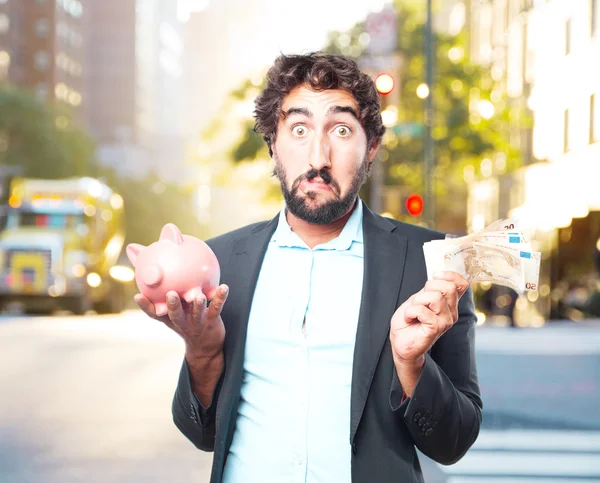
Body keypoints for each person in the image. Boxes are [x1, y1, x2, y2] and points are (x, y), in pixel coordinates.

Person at [135, 52, 482, 483]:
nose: (318, 156)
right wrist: (202, 352)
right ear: (273, 143)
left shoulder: (432, 260)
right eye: (299, 129)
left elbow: (454, 442)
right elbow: (201, 433)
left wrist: (412, 365)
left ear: (371, 145)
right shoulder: (221, 263)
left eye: (340, 129)